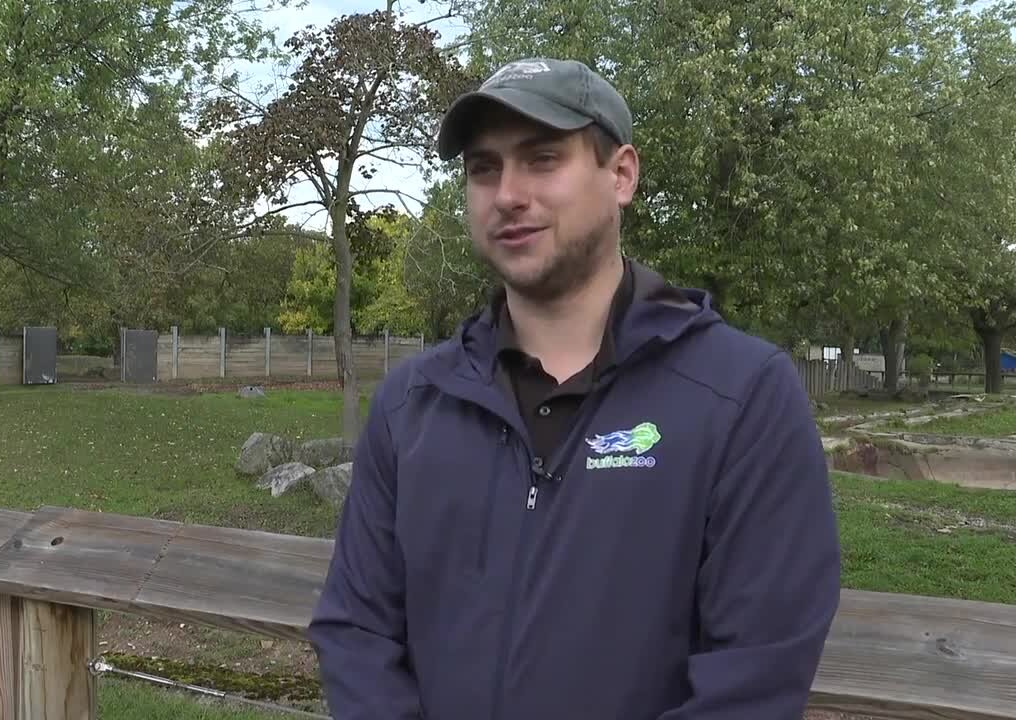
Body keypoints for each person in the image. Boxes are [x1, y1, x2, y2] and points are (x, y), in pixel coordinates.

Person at [307, 57, 841, 720]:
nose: (507, 193)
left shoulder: (741, 395)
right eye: (484, 168)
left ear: (620, 174)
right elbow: (357, 632)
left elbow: (756, 676)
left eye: (542, 159)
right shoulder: (413, 403)